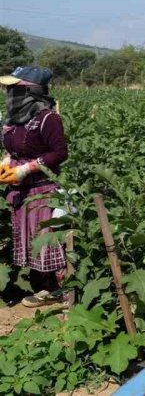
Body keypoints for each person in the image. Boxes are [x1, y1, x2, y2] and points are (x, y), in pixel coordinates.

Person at [0, 66, 69, 308]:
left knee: (45, 238)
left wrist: (26, 169)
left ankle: (56, 289)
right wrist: (7, 162)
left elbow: (59, 153)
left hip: (43, 189)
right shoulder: (14, 119)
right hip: (20, 190)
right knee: (30, 239)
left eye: (14, 88)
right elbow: (16, 149)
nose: (9, 93)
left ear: (32, 91)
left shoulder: (48, 119)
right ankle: (41, 285)